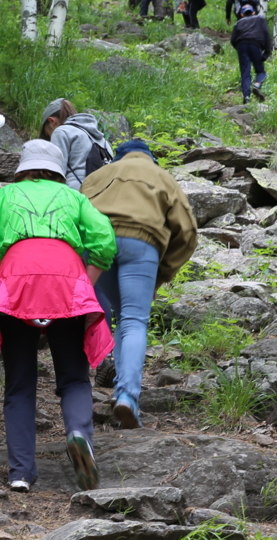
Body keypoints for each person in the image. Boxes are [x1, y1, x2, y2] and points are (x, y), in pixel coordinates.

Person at [0, 140, 117, 493]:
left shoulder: (2, 197)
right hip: (67, 279)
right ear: (58, 171)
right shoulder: (73, 198)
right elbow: (104, 240)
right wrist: (81, 287)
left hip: (16, 283)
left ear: (22, 169)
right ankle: (78, 434)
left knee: (19, 383)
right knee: (74, 377)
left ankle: (20, 473)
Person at [80, 139, 198, 427]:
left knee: (113, 315)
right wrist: (163, 271)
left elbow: (76, 213)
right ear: (150, 158)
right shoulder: (162, 177)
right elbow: (188, 232)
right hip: (142, 245)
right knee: (133, 320)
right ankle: (127, 396)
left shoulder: (98, 176)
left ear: (118, 157)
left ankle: (91, 387)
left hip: (97, 245)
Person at [40, 98, 114, 189]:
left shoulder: (61, 131)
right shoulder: (102, 140)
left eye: (48, 134)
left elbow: (56, 172)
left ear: (52, 121)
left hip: (74, 194)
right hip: (102, 193)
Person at [229, 2, 272, 103]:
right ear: (253, 12)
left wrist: (239, 48)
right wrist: (267, 52)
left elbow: (232, 40)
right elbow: (266, 34)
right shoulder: (260, 19)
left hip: (242, 45)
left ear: (242, 14)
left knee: (245, 72)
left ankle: (246, 97)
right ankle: (257, 85)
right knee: (260, 71)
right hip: (256, 45)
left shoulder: (238, 23)